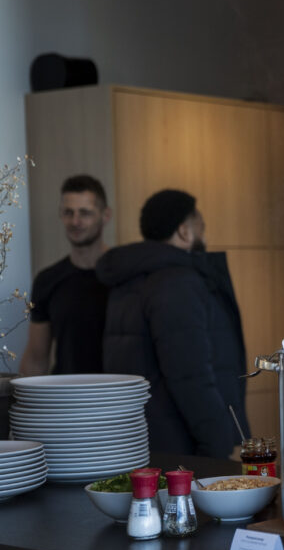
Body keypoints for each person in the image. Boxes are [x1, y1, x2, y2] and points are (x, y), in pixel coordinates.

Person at [96, 189, 250, 458]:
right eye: (201, 227)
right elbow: (190, 375)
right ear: (184, 231)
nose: (204, 236)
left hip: (144, 440)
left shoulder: (129, 281)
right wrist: (218, 444)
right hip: (181, 448)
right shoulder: (177, 284)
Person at [20, 175, 111, 376]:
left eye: (85, 213)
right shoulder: (47, 280)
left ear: (105, 215)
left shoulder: (125, 276)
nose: (75, 221)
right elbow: (36, 359)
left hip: (118, 398)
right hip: (65, 399)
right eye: (68, 212)